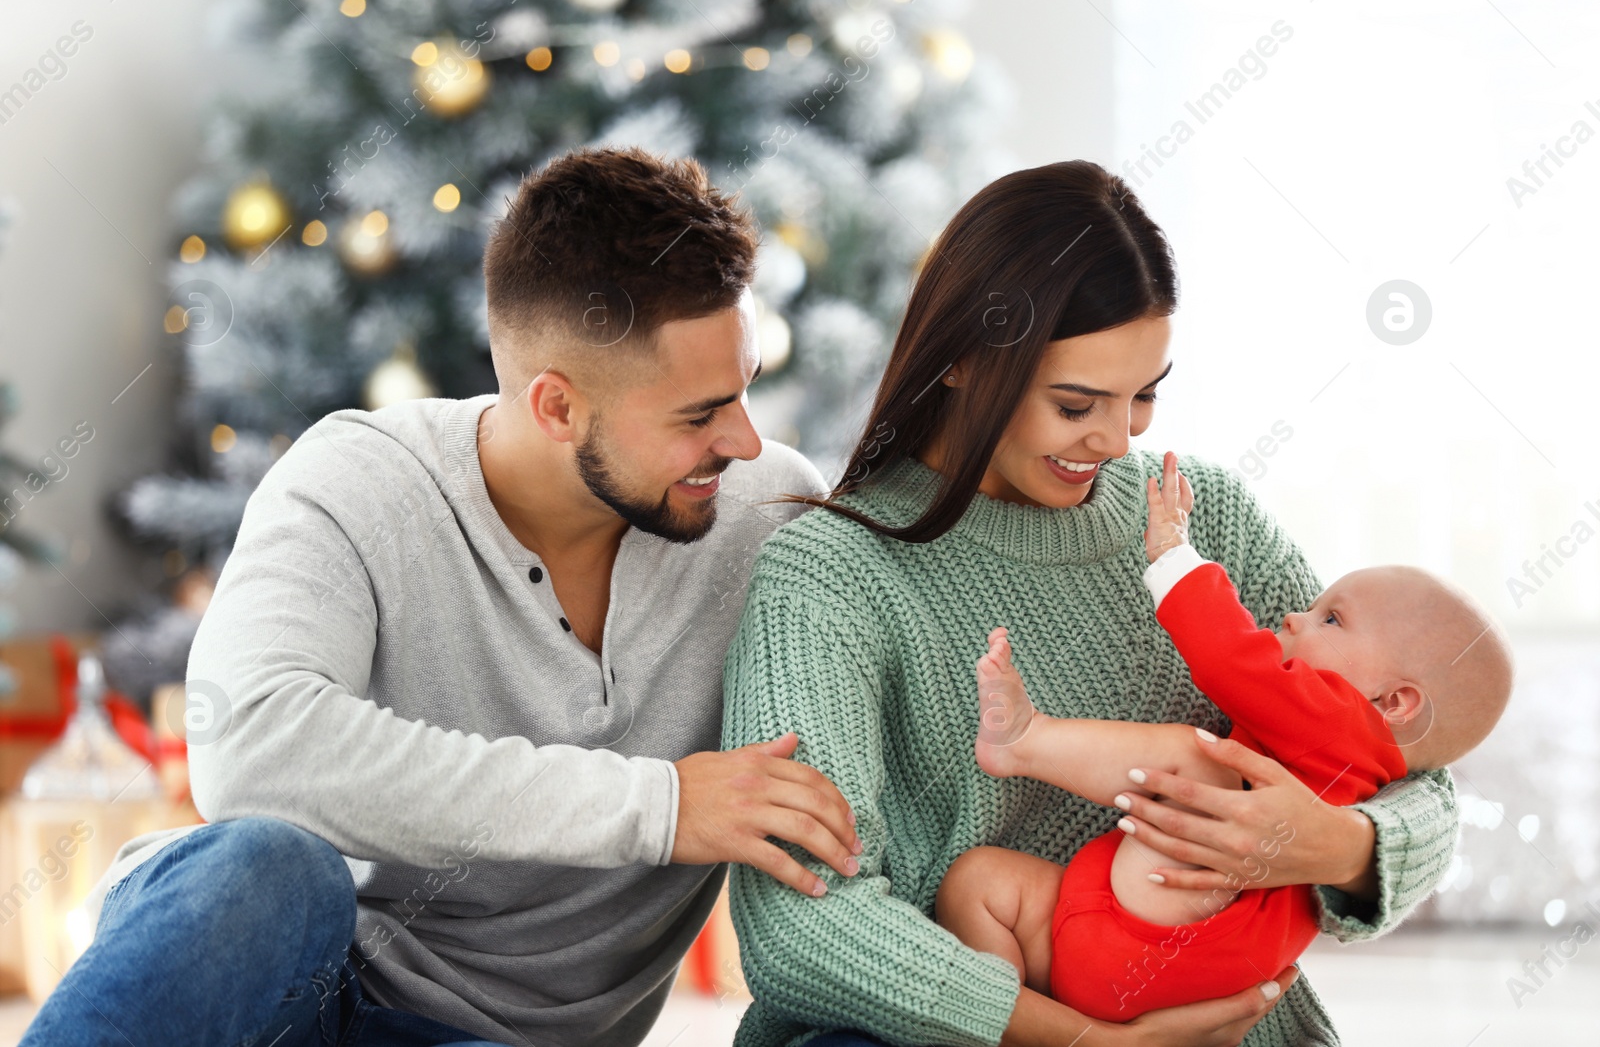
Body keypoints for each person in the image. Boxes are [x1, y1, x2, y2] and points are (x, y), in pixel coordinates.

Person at [22, 147, 863, 1047]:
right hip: (284, 992)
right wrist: (658, 807)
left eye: (744, 391)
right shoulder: (359, 480)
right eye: (698, 415)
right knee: (270, 864)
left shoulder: (767, 517)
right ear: (555, 408)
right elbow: (252, 745)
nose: (742, 440)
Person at [719, 159, 1462, 1047]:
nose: (1118, 440)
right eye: (1078, 404)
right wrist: (1077, 1041)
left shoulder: (1198, 521)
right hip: (951, 1025)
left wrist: (1337, 846)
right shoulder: (831, 574)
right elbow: (799, 922)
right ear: (961, 359)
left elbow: (1412, 759)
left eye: (1144, 394)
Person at [936, 450, 1513, 1022]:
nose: (1292, 617)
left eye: (1330, 619)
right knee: (977, 882)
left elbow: (1229, 657)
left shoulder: (1347, 723)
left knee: (1198, 756)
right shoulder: (1352, 745)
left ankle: (1028, 740)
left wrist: (1172, 556)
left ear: (1394, 704)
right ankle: (1032, 1030)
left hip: (1172, 940)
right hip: (1127, 950)